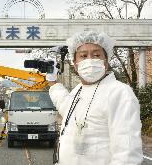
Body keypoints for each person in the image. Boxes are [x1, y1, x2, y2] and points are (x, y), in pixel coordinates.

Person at [49, 31, 143, 165]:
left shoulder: (119, 93)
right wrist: (53, 82)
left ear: (106, 61)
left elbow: (127, 154)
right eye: (83, 56)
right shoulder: (79, 89)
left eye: (96, 55)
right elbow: (65, 106)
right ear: (75, 63)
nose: (90, 60)